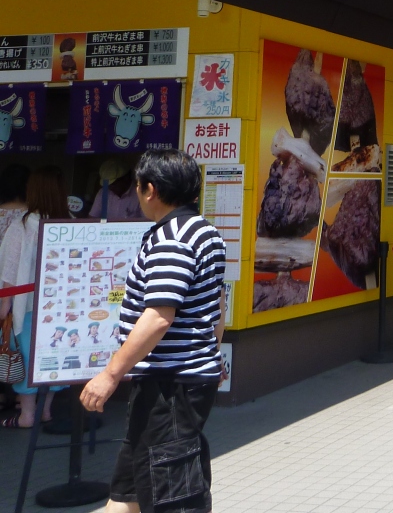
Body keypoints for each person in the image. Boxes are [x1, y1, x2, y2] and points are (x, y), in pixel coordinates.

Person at [80, 149, 226, 513]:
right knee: (126, 494)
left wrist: (110, 374)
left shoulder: (172, 240)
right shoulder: (203, 231)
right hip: (174, 380)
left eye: (138, 185)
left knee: (173, 495)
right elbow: (218, 303)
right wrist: (208, 353)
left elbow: (159, 316)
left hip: (170, 384)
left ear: (151, 190)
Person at [0, 166, 71, 429]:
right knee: (53, 357)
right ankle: (46, 411)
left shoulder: (23, 225)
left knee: (26, 358)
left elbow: (9, 271)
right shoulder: (70, 223)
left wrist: (4, 307)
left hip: (27, 306)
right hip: (63, 307)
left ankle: (26, 416)